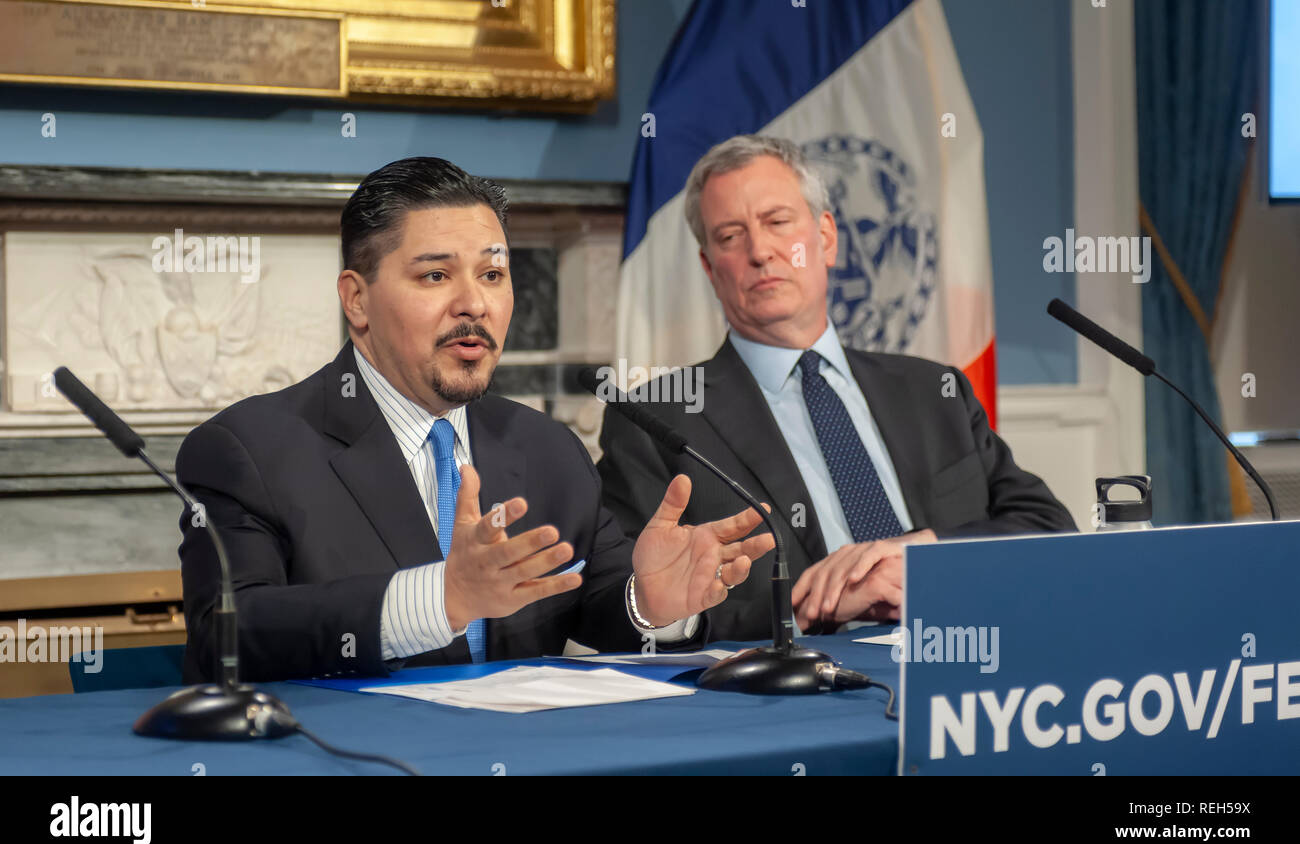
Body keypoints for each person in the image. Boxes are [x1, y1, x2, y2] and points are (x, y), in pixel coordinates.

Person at [176, 156, 772, 684]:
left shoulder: (546, 448)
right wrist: (441, 598)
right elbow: (229, 636)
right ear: (357, 300)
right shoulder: (248, 451)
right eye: (435, 276)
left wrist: (651, 602)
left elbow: (601, 604)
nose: (474, 304)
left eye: (492, 275)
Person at [597, 134, 1075, 640]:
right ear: (710, 268)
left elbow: (1048, 529)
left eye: (777, 222)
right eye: (731, 236)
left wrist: (921, 553)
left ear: (825, 238)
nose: (760, 251)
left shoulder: (934, 391)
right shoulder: (656, 419)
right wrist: (805, 607)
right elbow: (633, 607)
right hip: (795, 694)